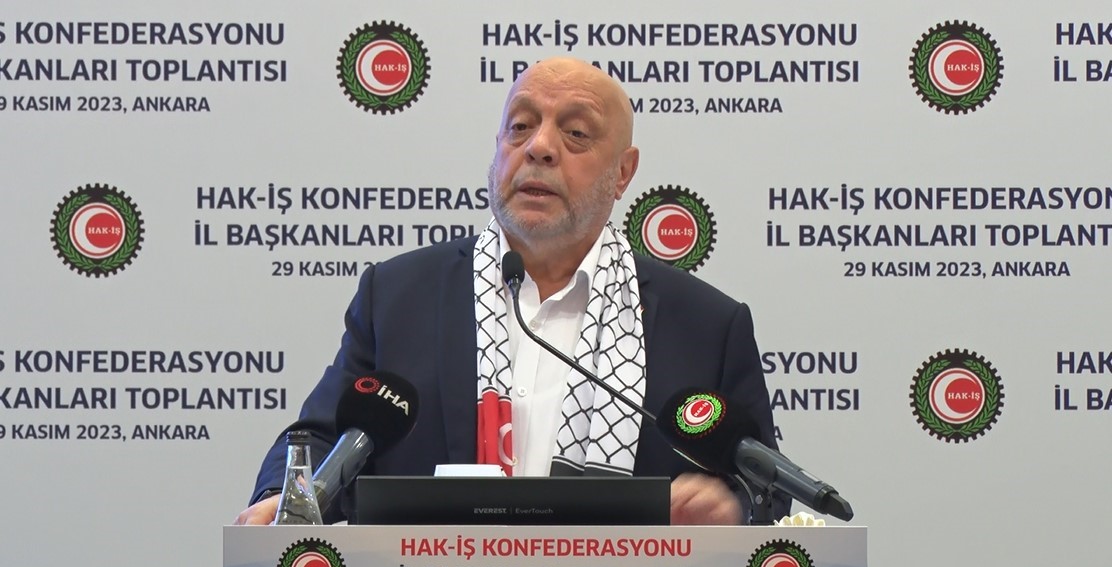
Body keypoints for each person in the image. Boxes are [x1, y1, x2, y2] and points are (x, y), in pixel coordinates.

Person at [235, 57, 783, 526]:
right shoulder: (398, 297)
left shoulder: (705, 325)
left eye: (576, 133)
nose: (539, 147)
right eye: (520, 127)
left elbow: (767, 488)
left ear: (623, 172)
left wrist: (734, 507)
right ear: (497, 147)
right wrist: (281, 498)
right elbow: (320, 441)